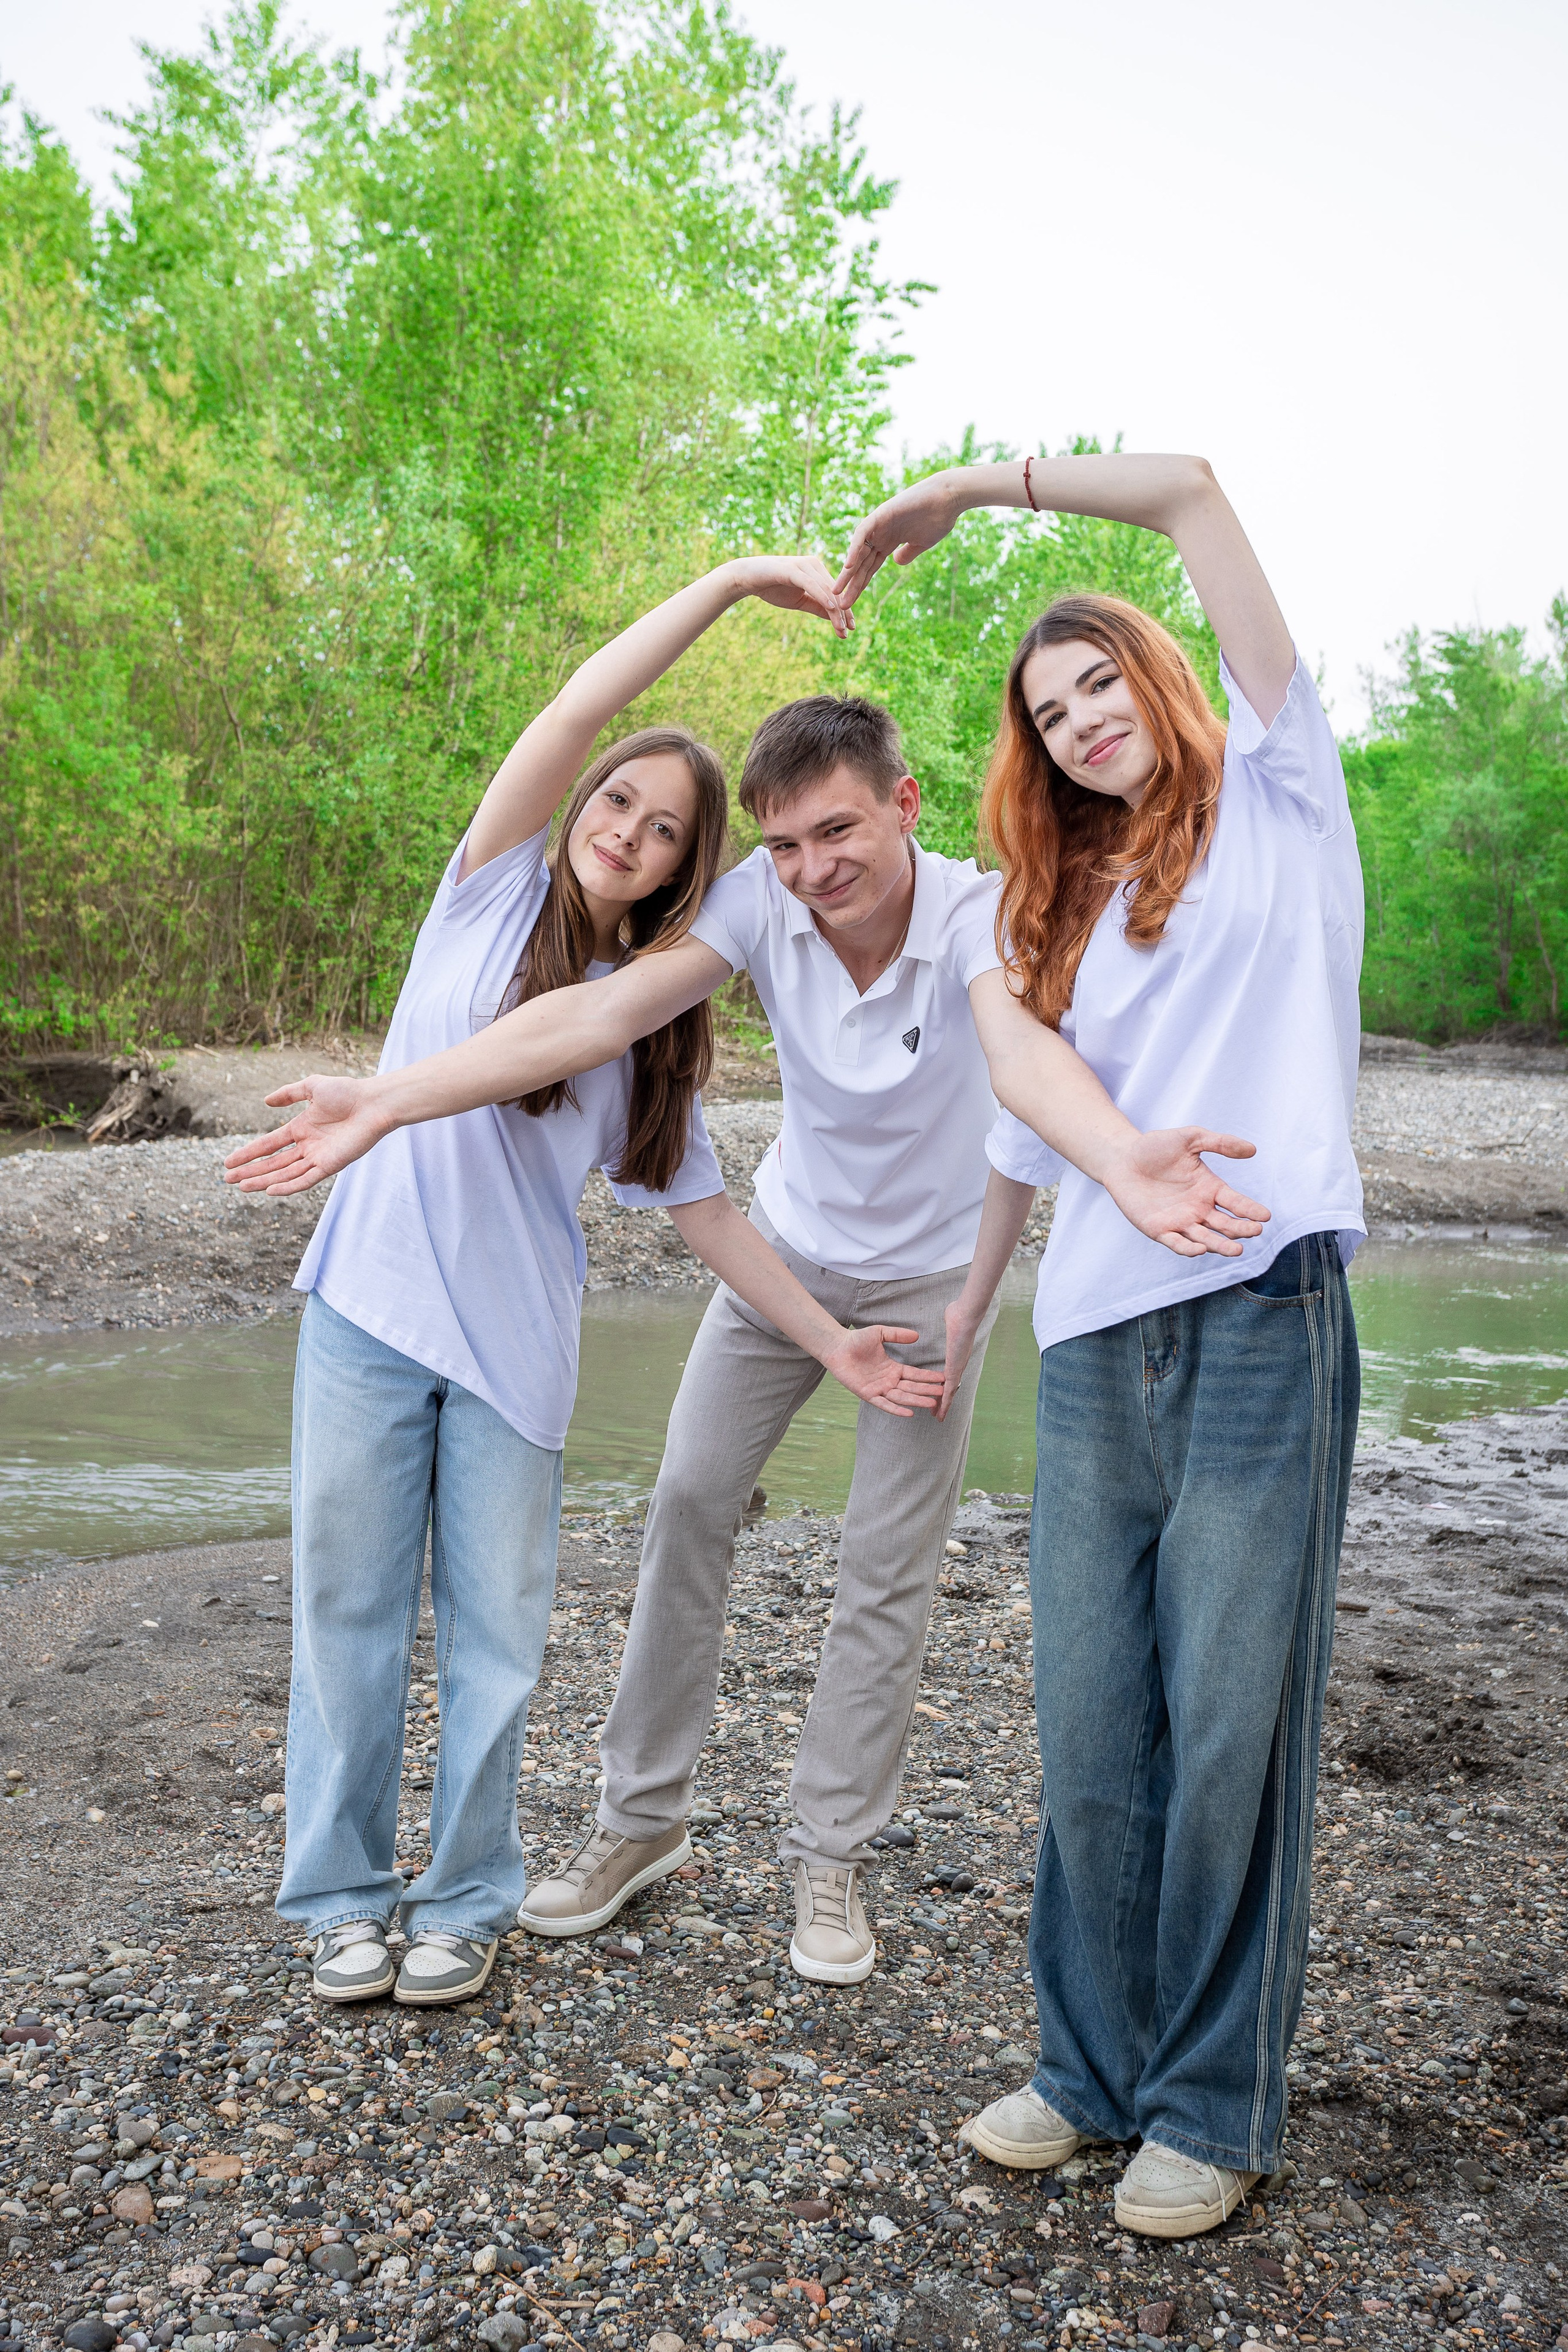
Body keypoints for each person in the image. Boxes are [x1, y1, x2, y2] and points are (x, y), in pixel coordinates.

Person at [228, 672, 1269, 1996]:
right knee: (685, 1501)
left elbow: (1018, 1093)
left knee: (886, 1565)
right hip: (782, 1258)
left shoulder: (974, 912)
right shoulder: (753, 905)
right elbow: (600, 1015)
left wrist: (983, 1287)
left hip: (936, 1278)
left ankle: (829, 1854)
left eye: (837, 832)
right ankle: (638, 1822)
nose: (811, 867)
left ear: (900, 805)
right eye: (782, 843)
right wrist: (384, 1101)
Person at [272, 552, 955, 2011]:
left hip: (516, 1352)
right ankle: (338, 1897)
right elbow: (588, 703)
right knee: (347, 1611)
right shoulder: (483, 890)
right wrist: (723, 588)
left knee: (500, 1642)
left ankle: (463, 1899)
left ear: (681, 874)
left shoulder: (649, 1024)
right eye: (616, 806)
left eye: (664, 835)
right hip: (366, 1314)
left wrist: (834, 1343)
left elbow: (708, 1216)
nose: (628, 834)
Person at [834, 451, 1363, 2236]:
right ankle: (1088, 2072)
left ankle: (1210, 2106)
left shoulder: (1290, 794)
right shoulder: (1022, 898)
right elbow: (1021, 1068)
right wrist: (1117, 1160)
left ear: (1162, 675)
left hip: (1268, 1315)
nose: (1078, 727)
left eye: (1099, 687)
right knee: (1091, 1724)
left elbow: (1203, 496)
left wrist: (982, 487)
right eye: (1048, 716)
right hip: (1096, 1339)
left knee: (1230, 1727)